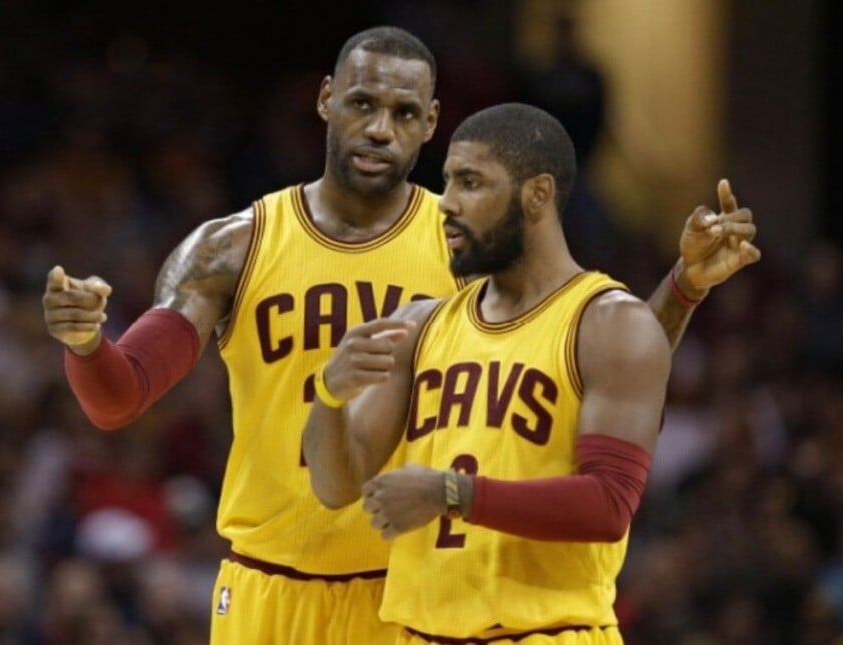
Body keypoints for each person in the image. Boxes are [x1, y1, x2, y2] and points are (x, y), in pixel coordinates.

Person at [42, 28, 759, 645]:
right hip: (270, 585)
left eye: (403, 112)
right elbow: (121, 395)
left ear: (430, 123)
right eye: (362, 104)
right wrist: (85, 346)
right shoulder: (236, 246)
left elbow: (597, 357)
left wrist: (682, 289)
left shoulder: (469, 241)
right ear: (326, 100)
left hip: (409, 597)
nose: (381, 128)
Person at [302, 103, 740, 644]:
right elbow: (335, 486)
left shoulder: (606, 318)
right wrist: (330, 394)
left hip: (546, 632)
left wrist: (453, 493)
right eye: (446, 182)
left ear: (537, 194)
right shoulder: (418, 326)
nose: (448, 204)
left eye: (470, 182)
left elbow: (608, 506)